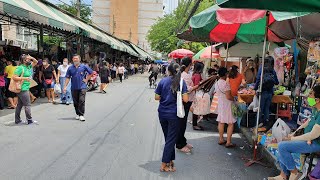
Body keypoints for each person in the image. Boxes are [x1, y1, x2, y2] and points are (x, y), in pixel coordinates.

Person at [268, 86, 320, 180]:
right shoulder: (316, 109)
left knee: (283, 146)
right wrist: (294, 133)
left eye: (311, 94)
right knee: (282, 143)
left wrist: (292, 138)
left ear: (317, 100)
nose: (308, 96)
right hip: (308, 139)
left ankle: (294, 172)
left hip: (315, 143)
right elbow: (308, 122)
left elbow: (313, 135)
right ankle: (283, 175)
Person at [155, 63, 188, 172]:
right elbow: (186, 99)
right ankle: (164, 164)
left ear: (168, 71)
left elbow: (156, 97)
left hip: (162, 113)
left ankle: (170, 161)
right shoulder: (181, 82)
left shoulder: (163, 81)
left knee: (169, 138)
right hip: (174, 114)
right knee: (170, 139)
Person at [176, 57, 198, 153]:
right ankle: (180, 144)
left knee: (182, 122)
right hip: (185, 101)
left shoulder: (183, 74)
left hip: (185, 101)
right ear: (189, 65)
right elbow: (186, 89)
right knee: (182, 123)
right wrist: (195, 87)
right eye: (191, 65)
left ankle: (183, 142)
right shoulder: (185, 75)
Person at [63, 54, 93, 122]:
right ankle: (78, 113)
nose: (75, 60)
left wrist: (86, 79)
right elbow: (67, 77)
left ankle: (81, 115)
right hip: (74, 87)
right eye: (74, 58)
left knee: (81, 100)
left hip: (82, 86)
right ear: (72, 59)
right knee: (75, 102)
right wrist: (65, 87)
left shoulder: (84, 66)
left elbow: (91, 72)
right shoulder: (70, 68)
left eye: (76, 58)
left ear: (79, 59)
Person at [12, 54, 38, 124]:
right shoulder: (20, 68)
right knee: (27, 104)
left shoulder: (28, 66)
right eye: (28, 59)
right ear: (24, 60)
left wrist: (31, 57)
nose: (29, 60)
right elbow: (14, 77)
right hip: (22, 88)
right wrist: (24, 78)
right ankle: (29, 120)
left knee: (20, 105)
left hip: (25, 88)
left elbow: (36, 62)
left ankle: (17, 120)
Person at [254, 56, 279, 127]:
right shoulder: (273, 70)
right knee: (267, 109)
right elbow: (277, 82)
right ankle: (265, 125)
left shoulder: (261, 69)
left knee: (260, 109)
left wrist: (255, 88)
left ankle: (257, 124)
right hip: (270, 92)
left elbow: (258, 79)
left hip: (262, 92)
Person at [216, 67, 237, 148]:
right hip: (227, 104)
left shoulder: (217, 83)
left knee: (221, 121)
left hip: (220, 103)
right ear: (225, 74)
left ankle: (221, 139)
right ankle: (228, 142)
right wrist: (234, 99)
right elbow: (228, 97)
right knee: (230, 123)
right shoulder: (226, 84)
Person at [191, 62, 205, 130]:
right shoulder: (197, 75)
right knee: (196, 110)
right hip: (196, 93)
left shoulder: (194, 73)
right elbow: (197, 86)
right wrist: (202, 84)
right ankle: (195, 125)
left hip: (194, 93)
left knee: (195, 110)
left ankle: (195, 124)